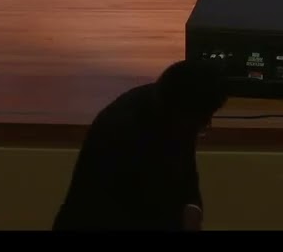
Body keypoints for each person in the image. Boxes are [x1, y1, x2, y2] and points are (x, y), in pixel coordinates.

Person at [52, 60, 228, 231]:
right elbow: (123, 211)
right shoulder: (121, 130)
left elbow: (185, 174)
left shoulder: (176, 105)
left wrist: (193, 206)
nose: (205, 125)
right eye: (202, 120)